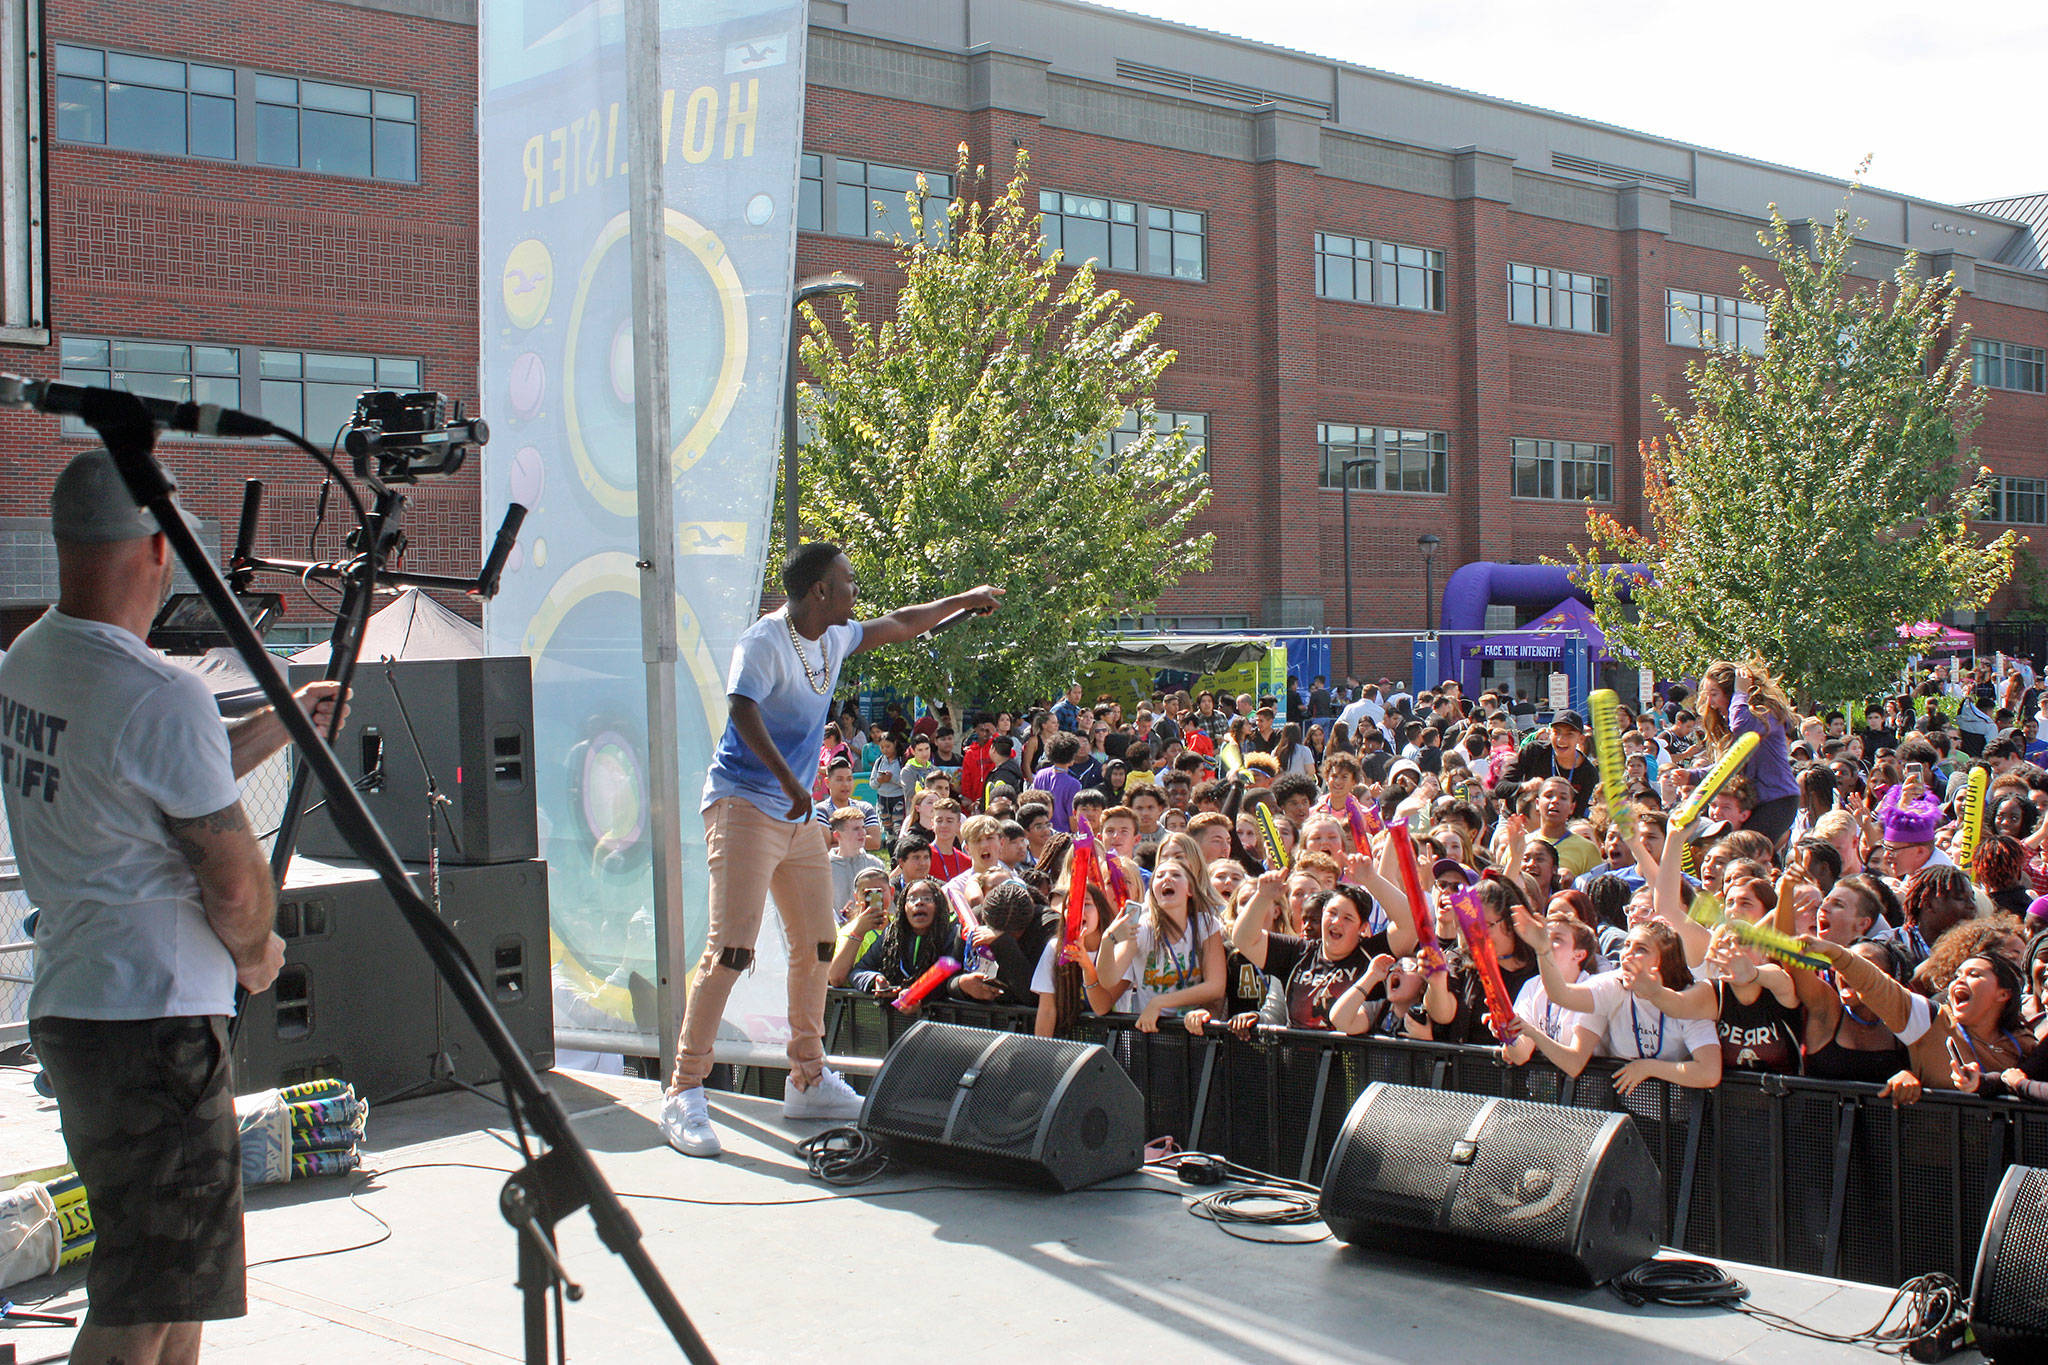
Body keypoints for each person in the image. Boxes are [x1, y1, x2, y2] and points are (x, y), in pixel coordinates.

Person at [2, 450, 349, 1363]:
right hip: (155, 1028)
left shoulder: (31, 662)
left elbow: (154, 776)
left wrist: (284, 717)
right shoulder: (160, 693)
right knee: (141, 1300)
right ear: (158, 547)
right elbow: (233, 884)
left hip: (84, 1007)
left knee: (177, 1283)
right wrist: (258, 949)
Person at [662, 542, 1001, 1157]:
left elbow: (901, 623)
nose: (855, 592)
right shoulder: (765, 641)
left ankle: (808, 1077)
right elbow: (740, 709)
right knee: (732, 950)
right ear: (819, 591)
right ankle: (684, 1088)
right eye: (846, 582)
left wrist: (965, 601)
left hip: (795, 818)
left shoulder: (833, 639)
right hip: (744, 806)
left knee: (819, 944)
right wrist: (793, 782)